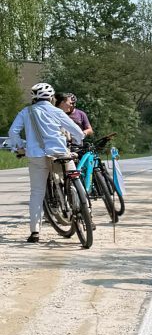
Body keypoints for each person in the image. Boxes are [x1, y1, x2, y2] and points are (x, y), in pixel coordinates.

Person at [6, 83, 85, 242]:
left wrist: (21, 147)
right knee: (73, 178)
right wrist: (79, 139)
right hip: (59, 154)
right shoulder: (56, 111)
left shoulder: (25, 112)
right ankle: (85, 214)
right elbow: (75, 130)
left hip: (36, 156)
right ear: (51, 97)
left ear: (34, 97)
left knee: (37, 192)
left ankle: (35, 232)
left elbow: (13, 132)